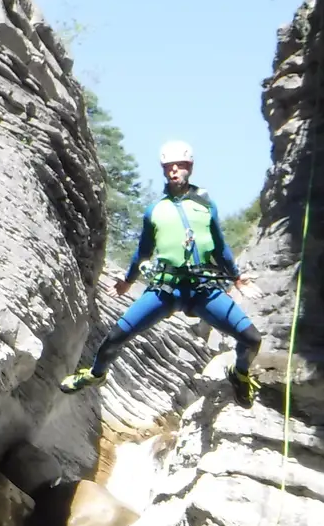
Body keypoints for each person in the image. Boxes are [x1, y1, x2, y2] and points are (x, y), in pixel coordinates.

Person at [59, 140, 264, 407]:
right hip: (166, 290)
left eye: (179, 166)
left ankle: (239, 373)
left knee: (252, 339)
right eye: (169, 167)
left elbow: (220, 246)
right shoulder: (154, 211)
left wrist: (236, 278)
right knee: (115, 338)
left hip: (203, 290)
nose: (174, 171)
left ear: (190, 167)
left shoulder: (206, 206)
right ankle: (96, 375)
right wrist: (128, 280)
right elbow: (143, 251)